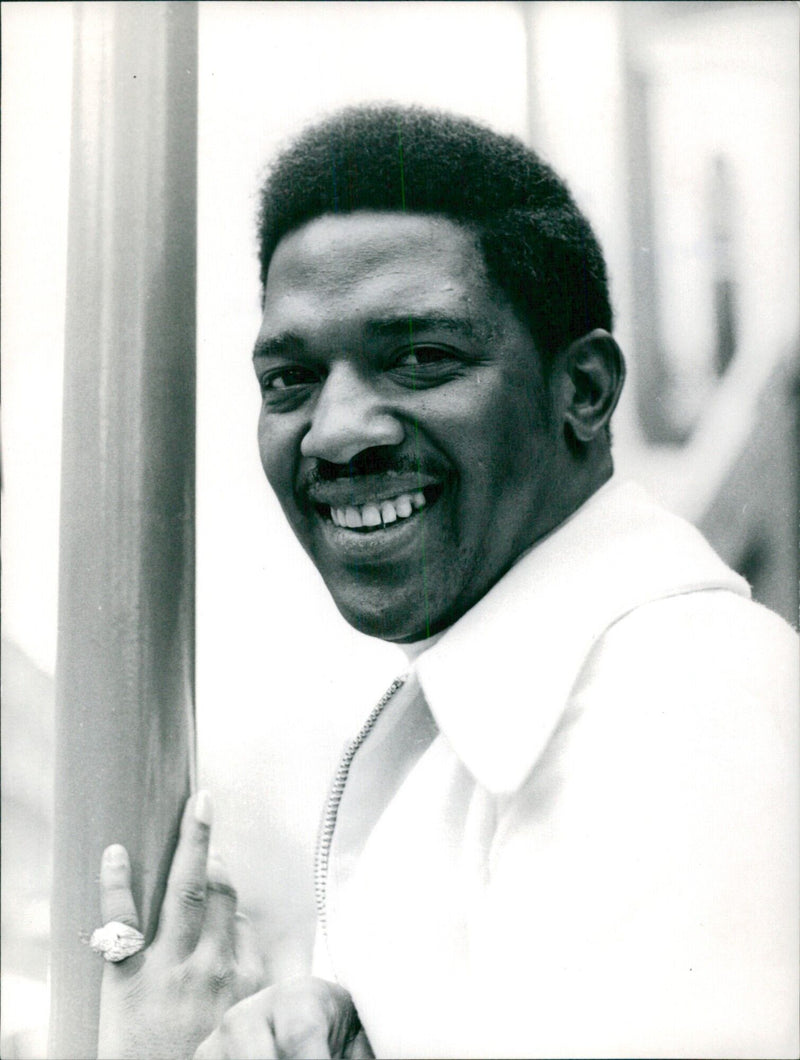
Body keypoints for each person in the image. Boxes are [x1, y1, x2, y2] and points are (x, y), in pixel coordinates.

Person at [95, 105, 798, 1059]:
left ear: (583, 392)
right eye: (290, 379)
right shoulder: (496, 703)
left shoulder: (681, 706)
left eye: (423, 358)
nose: (337, 432)